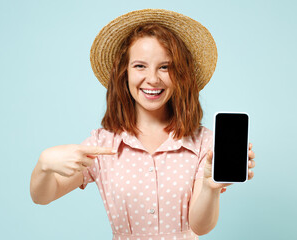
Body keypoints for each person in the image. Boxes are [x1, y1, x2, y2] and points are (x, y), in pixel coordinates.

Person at [30, 9, 256, 240]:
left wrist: (210, 187)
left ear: (180, 74)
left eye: (165, 67)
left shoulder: (203, 143)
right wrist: (44, 163)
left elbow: (200, 227)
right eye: (140, 66)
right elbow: (42, 196)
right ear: (124, 73)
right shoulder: (102, 144)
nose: (153, 79)